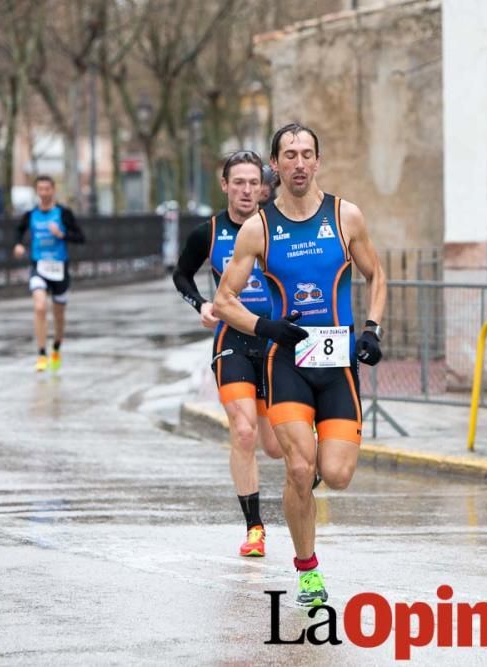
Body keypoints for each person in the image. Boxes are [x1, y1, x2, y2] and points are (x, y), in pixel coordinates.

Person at [213, 123, 387, 606]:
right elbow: (224, 300)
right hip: (286, 361)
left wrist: (372, 329)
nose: (298, 163)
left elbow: (377, 276)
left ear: (318, 162)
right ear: (275, 165)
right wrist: (265, 327)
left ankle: (307, 476)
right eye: (288, 155)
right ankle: (308, 571)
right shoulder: (258, 228)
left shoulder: (345, 216)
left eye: (306, 154)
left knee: (336, 475)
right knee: (296, 466)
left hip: (336, 365)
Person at [172, 150, 283, 558]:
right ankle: (254, 528)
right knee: (244, 431)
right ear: (225, 186)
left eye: (254, 183)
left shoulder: (277, 227)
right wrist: (200, 303)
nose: (246, 191)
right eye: (238, 183)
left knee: (275, 445)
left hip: (273, 341)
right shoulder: (209, 231)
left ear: (262, 187)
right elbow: (181, 272)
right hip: (232, 340)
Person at [13, 175, 85, 372]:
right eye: (40, 189)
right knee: (39, 307)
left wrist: (62, 234)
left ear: (53, 190)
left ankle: (56, 348)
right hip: (39, 267)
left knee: (59, 315)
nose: (43, 193)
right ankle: (41, 354)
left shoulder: (63, 213)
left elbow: (81, 237)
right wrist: (18, 245)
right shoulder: (31, 215)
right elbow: (18, 232)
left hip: (59, 269)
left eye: (47, 189)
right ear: (37, 191)